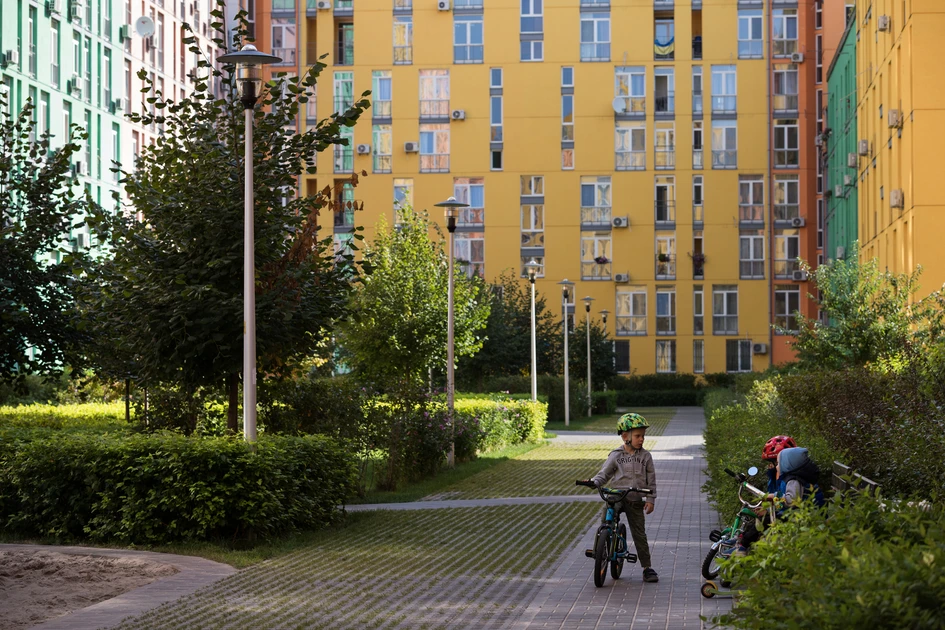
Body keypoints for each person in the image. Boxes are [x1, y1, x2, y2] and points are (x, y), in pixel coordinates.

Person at [586, 412, 659, 583]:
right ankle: (600, 550)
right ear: (625, 436)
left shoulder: (646, 457)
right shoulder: (616, 455)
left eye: (643, 436)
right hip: (616, 496)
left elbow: (651, 481)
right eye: (638, 436)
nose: (641, 439)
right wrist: (594, 482)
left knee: (639, 534)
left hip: (635, 500)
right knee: (606, 519)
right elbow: (603, 474)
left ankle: (647, 568)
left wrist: (650, 499)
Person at [737, 435, 797, 554]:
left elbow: (787, 501)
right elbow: (776, 496)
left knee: (763, 521)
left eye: (775, 462)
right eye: (771, 463)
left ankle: (742, 549)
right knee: (757, 520)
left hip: (791, 515)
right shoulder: (774, 476)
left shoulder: (790, 480)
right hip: (784, 513)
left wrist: (769, 510)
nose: (771, 466)